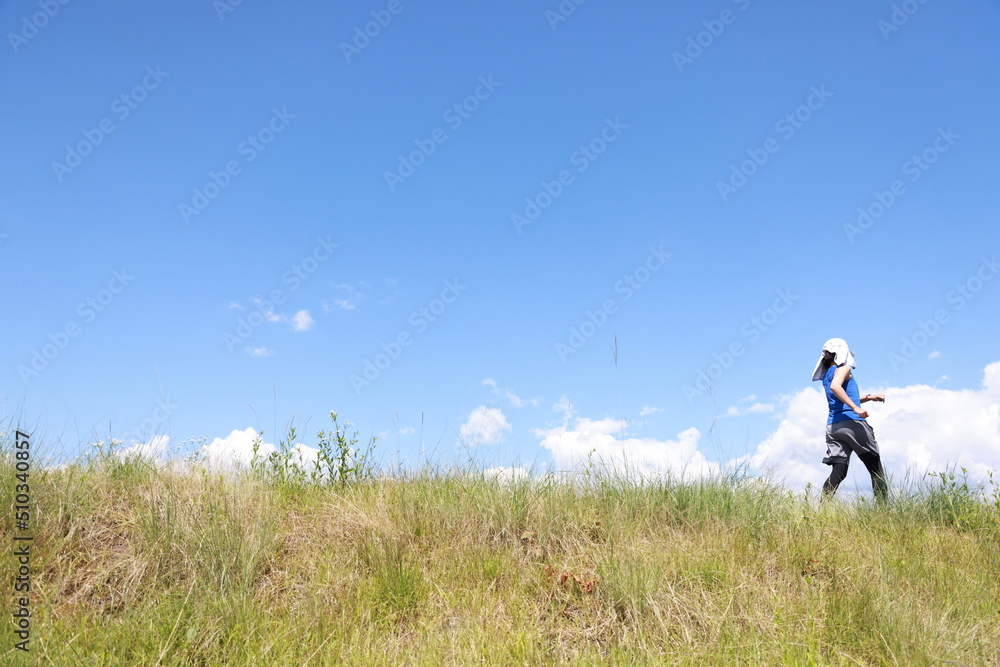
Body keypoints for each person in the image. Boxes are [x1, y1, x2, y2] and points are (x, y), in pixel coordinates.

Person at [811, 338, 888, 501]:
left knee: (839, 471)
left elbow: (842, 395)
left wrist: (869, 397)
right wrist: (856, 408)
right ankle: (884, 511)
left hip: (833, 427)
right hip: (852, 423)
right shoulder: (843, 368)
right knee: (875, 468)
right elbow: (836, 387)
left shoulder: (827, 374)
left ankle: (822, 510)